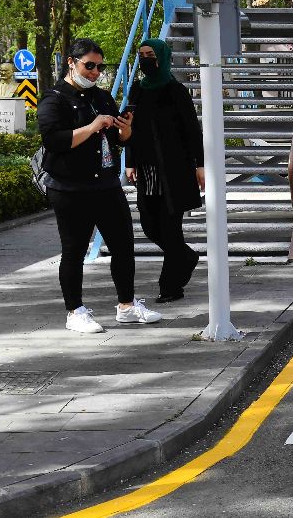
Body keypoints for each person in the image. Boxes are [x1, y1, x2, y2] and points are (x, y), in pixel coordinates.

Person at [38, 38, 161, 333]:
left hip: (105, 183)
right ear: (72, 62)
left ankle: (127, 305)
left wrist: (125, 128)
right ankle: (75, 311)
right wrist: (92, 126)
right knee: (74, 249)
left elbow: (120, 140)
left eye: (99, 66)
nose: (94, 72)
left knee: (123, 245)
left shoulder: (102, 96)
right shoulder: (54, 99)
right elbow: (54, 140)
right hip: (69, 187)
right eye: (88, 65)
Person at [124, 39, 204, 304]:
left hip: (174, 171)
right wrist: (130, 160)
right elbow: (130, 127)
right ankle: (187, 257)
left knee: (171, 229)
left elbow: (192, 131)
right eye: (142, 55)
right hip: (147, 171)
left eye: (151, 55)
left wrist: (199, 165)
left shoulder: (175, 90)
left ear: (162, 57)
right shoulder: (137, 89)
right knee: (149, 226)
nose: (146, 59)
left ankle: (171, 286)